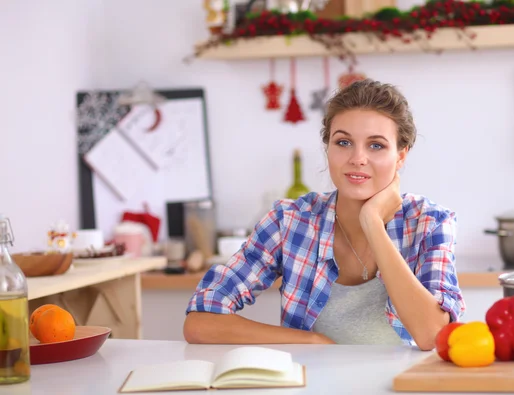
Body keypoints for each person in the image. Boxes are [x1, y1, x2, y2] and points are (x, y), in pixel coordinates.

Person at [183, 79, 465, 350]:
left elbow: (433, 335)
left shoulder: (429, 223)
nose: (357, 158)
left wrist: (373, 224)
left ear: (401, 156)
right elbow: (199, 323)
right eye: (343, 142)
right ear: (327, 147)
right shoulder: (290, 221)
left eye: (376, 145)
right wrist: (309, 341)